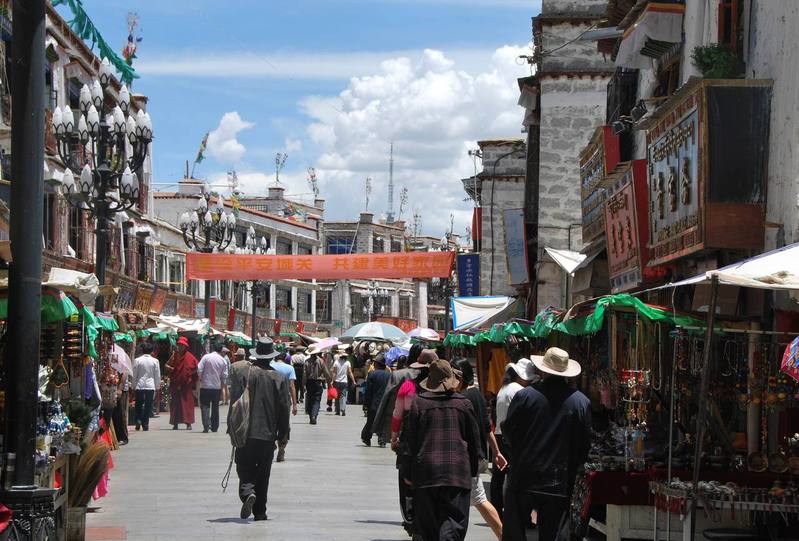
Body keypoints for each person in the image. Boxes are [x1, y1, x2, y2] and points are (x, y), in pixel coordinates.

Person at [502, 348, 591, 541]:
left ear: (543, 370)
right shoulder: (580, 402)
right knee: (553, 533)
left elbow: (509, 431)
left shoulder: (525, 396)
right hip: (558, 480)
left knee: (515, 531)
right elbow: (584, 444)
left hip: (523, 476)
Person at [401, 359, 482, 541]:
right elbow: (474, 442)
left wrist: (407, 472)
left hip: (426, 473)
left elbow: (409, 443)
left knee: (428, 526)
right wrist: (474, 471)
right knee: (454, 523)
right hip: (457, 473)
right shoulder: (464, 404)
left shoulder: (418, 403)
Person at [228, 337, 290, 521]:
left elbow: (235, 402)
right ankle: (260, 511)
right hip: (268, 433)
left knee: (243, 466)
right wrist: (283, 433)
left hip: (246, 431)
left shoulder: (245, 374)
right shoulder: (279, 378)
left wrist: (231, 426)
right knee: (264, 473)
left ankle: (248, 493)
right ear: (271, 356)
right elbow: (284, 407)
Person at [454, 359, 502, 540]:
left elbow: (485, 427)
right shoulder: (477, 395)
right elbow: (487, 427)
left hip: (467, 457)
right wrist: (496, 452)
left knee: (479, 500)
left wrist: (496, 452)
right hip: (474, 456)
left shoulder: (464, 398)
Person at [490, 359, 535, 517]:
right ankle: (516, 512)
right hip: (512, 437)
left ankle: (497, 509)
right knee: (516, 477)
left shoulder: (505, 388)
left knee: (498, 476)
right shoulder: (518, 390)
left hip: (500, 435)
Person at [166, 336, 199, 430]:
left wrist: (191, 376)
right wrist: (171, 368)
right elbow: (166, 365)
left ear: (185, 346)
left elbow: (197, 368)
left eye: (182, 345)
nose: (180, 347)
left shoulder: (189, 356)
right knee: (176, 404)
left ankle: (188, 423)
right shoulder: (174, 355)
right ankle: (175, 423)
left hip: (186, 385)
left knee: (187, 404)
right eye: (179, 345)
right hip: (175, 384)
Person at [271, 352, 298, 462]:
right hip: (284, 400)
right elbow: (292, 386)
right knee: (284, 424)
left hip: (271, 399)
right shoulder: (289, 368)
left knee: (271, 423)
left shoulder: (270, 366)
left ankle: (271, 445)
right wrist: (295, 404)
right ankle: (282, 448)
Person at [197, 341, 229, 433]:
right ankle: (215, 427)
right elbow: (224, 376)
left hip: (205, 386)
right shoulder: (223, 360)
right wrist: (222, 386)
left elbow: (199, 369)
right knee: (215, 407)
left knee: (205, 406)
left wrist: (201, 378)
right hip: (216, 387)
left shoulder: (206, 357)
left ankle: (206, 426)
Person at [361, 354, 391, 447]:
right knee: (383, 422)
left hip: (373, 403)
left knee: (370, 421)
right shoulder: (389, 375)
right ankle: (382, 440)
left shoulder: (372, 374)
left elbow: (368, 390)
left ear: (377, 364)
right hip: (385, 403)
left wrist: (365, 403)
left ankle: (366, 438)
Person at [132, 342, 161, 432]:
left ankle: (138, 420)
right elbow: (157, 375)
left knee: (138, 405)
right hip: (150, 386)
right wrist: (157, 387)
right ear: (151, 351)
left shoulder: (137, 360)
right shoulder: (155, 361)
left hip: (139, 386)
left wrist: (133, 386)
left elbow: (134, 374)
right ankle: (145, 424)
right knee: (148, 406)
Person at [303, 351, 331, 425]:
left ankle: (311, 416)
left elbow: (305, 374)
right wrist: (329, 381)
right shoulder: (321, 361)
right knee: (317, 400)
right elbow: (326, 372)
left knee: (310, 400)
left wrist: (304, 384)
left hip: (309, 383)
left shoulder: (307, 362)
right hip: (318, 383)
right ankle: (314, 416)